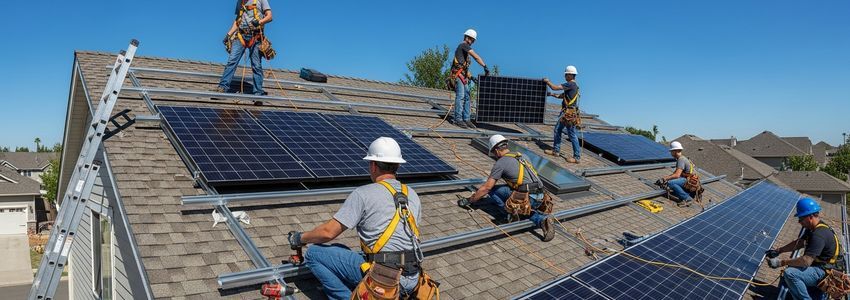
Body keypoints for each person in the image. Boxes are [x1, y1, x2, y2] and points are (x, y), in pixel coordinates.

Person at [287, 137, 424, 299]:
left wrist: (299, 238)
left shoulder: (364, 193)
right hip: (412, 277)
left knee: (314, 253)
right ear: (398, 165)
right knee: (340, 248)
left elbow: (328, 232)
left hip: (384, 279)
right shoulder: (412, 194)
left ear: (373, 165)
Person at [457, 135, 556, 242]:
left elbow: (486, 188)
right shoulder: (523, 156)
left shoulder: (501, 162)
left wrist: (470, 200)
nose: (495, 156)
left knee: (493, 190)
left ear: (497, 150)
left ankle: (508, 214)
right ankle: (543, 220)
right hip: (541, 198)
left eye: (494, 153)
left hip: (528, 198)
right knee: (523, 211)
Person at [765, 198, 844, 300]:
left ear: (810, 217)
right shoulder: (814, 228)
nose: (799, 222)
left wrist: (781, 262)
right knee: (791, 272)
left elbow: (806, 261)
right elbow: (799, 243)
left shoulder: (819, 234)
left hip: (825, 272)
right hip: (820, 267)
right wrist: (779, 250)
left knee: (790, 273)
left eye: (801, 219)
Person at [216, 0, 273, 96]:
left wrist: (259, 22)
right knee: (232, 61)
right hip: (241, 35)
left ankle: (258, 93)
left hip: (256, 36)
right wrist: (229, 34)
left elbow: (269, 16)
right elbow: (238, 20)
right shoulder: (240, 2)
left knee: (256, 65)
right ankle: (223, 87)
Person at [451, 29, 489, 129]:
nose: (472, 42)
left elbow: (464, 66)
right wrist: (484, 66)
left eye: (473, 40)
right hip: (458, 75)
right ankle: (457, 119)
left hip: (463, 76)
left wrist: (471, 77)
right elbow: (476, 57)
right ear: (467, 38)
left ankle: (466, 119)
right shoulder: (463, 45)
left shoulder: (465, 51)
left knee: (467, 96)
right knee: (461, 96)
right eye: (472, 40)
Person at [543, 66, 581, 163]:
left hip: (568, 113)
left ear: (571, 75)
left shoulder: (571, 84)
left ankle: (576, 157)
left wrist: (547, 81)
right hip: (567, 113)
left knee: (571, 134)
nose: (565, 76)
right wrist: (551, 95)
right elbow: (562, 96)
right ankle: (556, 151)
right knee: (558, 129)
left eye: (566, 74)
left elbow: (555, 87)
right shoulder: (573, 86)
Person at [657, 141, 697, 206]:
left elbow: (677, 175)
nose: (671, 153)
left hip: (689, 180)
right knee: (670, 181)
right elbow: (675, 173)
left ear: (675, 151)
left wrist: (664, 179)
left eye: (671, 151)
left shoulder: (681, 159)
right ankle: (685, 195)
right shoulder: (683, 158)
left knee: (670, 183)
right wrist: (667, 179)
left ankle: (687, 198)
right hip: (691, 180)